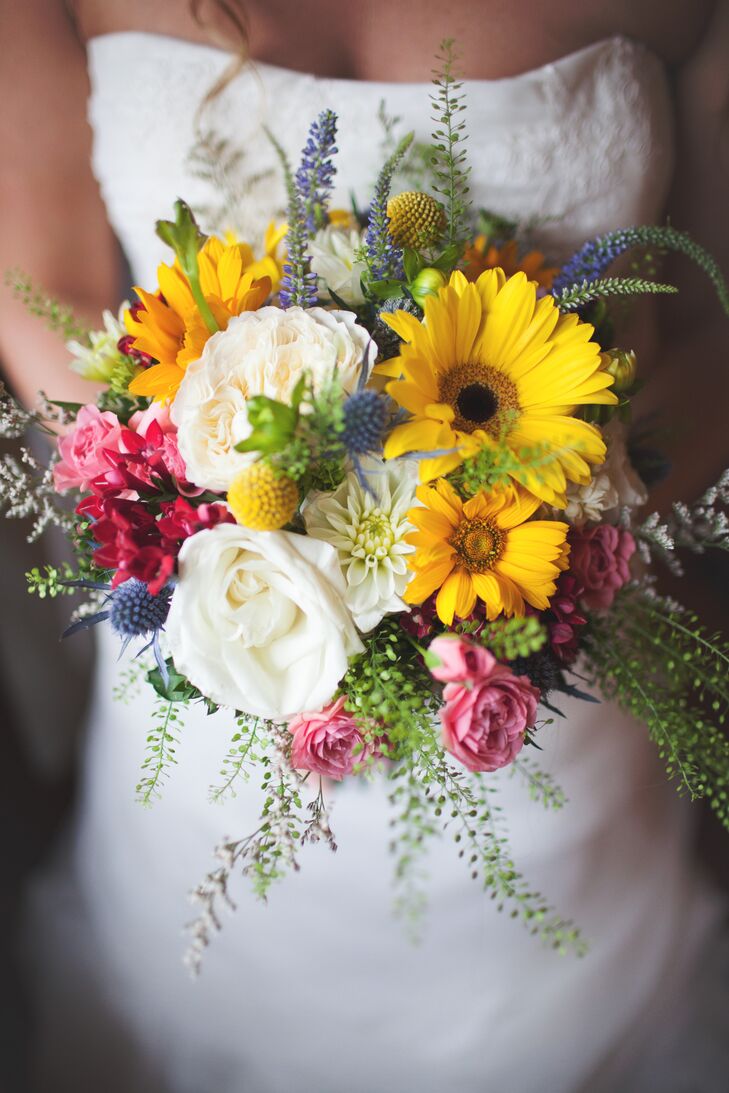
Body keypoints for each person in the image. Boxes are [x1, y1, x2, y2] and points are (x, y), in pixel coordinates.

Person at [2, 2, 729, 1090]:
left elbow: (717, 320)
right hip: (227, 632)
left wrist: (568, 527)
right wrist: (199, 519)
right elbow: (48, 294)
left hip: (548, 654)